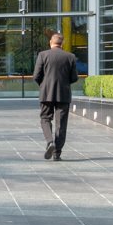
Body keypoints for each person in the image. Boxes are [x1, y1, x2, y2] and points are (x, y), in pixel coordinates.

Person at [33, 32, 80, 161]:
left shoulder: (43, 55)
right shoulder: (70, 57)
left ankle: (50, 142)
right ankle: (57, 153)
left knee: (45, 118)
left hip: (46, 93)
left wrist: (44, 85)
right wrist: (64, 84)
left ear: (51, 43)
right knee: (61, 124)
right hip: (63, 94)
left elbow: (36, 75)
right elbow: (74, 77)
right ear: (62, 43)